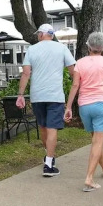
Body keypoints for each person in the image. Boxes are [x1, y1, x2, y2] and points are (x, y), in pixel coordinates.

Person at [64, 32, 103, 192]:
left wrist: (68, 107)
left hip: (85, 106)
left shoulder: (80, 63)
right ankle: (89, 178)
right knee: (98, 140)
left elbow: (75, 86)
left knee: (96, 139)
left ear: (88, 46)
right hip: (102, 104)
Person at [17, 23, 76, 177]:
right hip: (55, 95)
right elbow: (73, 71)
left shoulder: (32, 49)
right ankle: (49, 163)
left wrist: (21, 94)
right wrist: (77, 88)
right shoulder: (62, 48)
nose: (37, 36)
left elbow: (26, 74)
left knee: (43, 126)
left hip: (37, 95)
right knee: (52, 128)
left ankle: (48, 157)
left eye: (38, 34)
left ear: (42, 34)